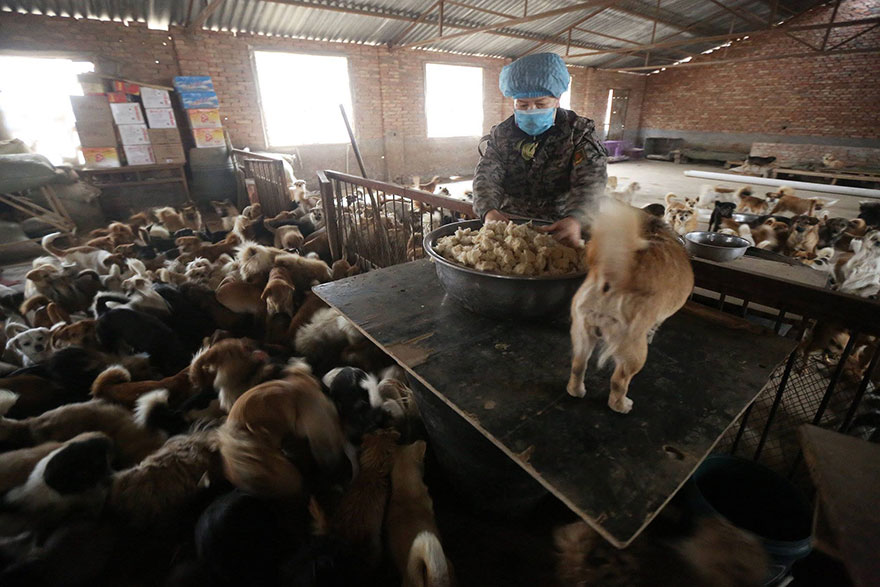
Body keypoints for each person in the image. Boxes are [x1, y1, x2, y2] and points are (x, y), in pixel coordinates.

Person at [472, 53, 607, 246]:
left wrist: (577, 218)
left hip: (560, 226)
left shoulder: (577, 133)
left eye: (541, 104)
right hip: (510, 226)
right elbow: (487, 176)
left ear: (557, 99)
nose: (531, 110)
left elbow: (591, 181)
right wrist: (488, 211)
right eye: (523, 104)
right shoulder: (503, 134)